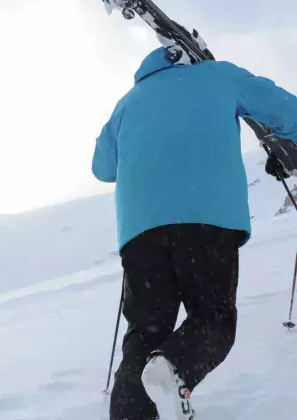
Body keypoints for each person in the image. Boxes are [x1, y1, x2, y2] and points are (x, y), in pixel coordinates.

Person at [92, 36, 297, 419]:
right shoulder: (219, 76)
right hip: (205, 218)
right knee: (212, 319)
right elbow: (288, 110)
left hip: (141, 233)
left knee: (144, 334)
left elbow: (102, 167)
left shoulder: (127, 103)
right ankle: (174, 368)